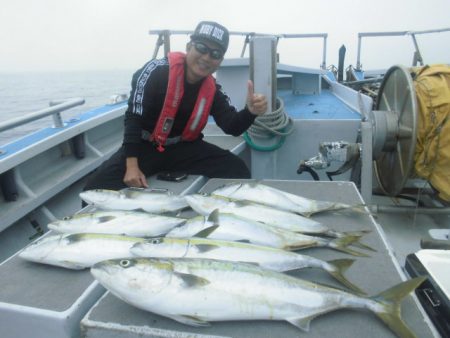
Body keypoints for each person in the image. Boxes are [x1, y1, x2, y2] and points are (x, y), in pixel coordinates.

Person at [83, 21, 267, 191]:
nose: (206, 57)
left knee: (237, 169)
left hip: (184, 148)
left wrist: (250, 112)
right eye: (201, 48)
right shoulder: (154, 72)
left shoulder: (212, 90)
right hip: (144, 148)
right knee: (93, 190)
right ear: (189, 47)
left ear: (220, 61)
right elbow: (133, 119)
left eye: (215, 54)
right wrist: (132, 166)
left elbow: (232, 126)